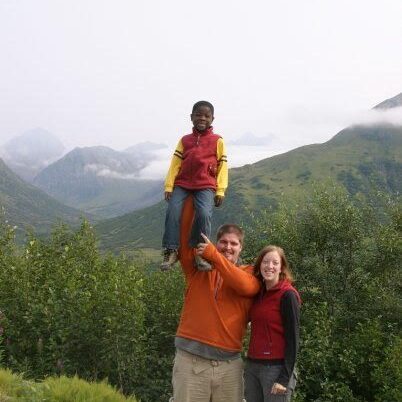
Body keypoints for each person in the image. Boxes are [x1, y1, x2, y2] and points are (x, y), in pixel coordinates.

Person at [170, 197, 260, 402]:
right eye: (223, 242)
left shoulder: (250, 274)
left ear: (241, 248)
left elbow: (246, 287)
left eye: (233, 243)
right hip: (190, 361)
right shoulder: (197, 269)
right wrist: (192, 199)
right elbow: (185, 239)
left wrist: (213, 254)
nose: (228, 247)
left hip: (229, 366)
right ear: (215, 243)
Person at [161, 100, 228, 271]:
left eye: (206, 116)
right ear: (191, 117)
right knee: (173, 211)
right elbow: (175, 163)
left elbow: (223, 166)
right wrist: (169, 186)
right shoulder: (185, 140)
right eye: (198, 115)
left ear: (213, 119)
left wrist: (220, 190)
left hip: (205, 184)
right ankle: (171, 250)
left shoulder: (217, 140)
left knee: (204, 213)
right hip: (183, 183)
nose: (202, 118)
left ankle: (200, 252)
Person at [244, 245, 301, 402]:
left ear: (281, 267)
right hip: (253, 367)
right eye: (265, 262)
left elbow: (294, 339)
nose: (270, 266)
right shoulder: (258, 293)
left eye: (275, 263)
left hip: (276, 369)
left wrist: (284, 378)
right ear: (259, 265)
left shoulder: (287, 295)